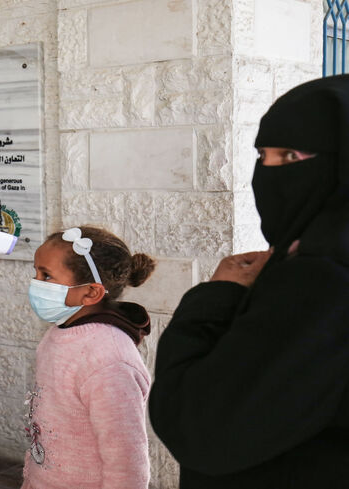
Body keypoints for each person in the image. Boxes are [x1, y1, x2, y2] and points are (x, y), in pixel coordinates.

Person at [148, 75, 349, 488]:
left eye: (291, 156)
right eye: (263, 155)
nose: (270, 173)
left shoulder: (321, 277)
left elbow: (203, 427)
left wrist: (218, 295)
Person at [22, 226, 155, 489]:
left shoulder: (109, 361)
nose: (35, 283)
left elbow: (127, 464)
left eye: (46, 276)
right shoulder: (60, 332)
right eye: (36, 272)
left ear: (91, 292)